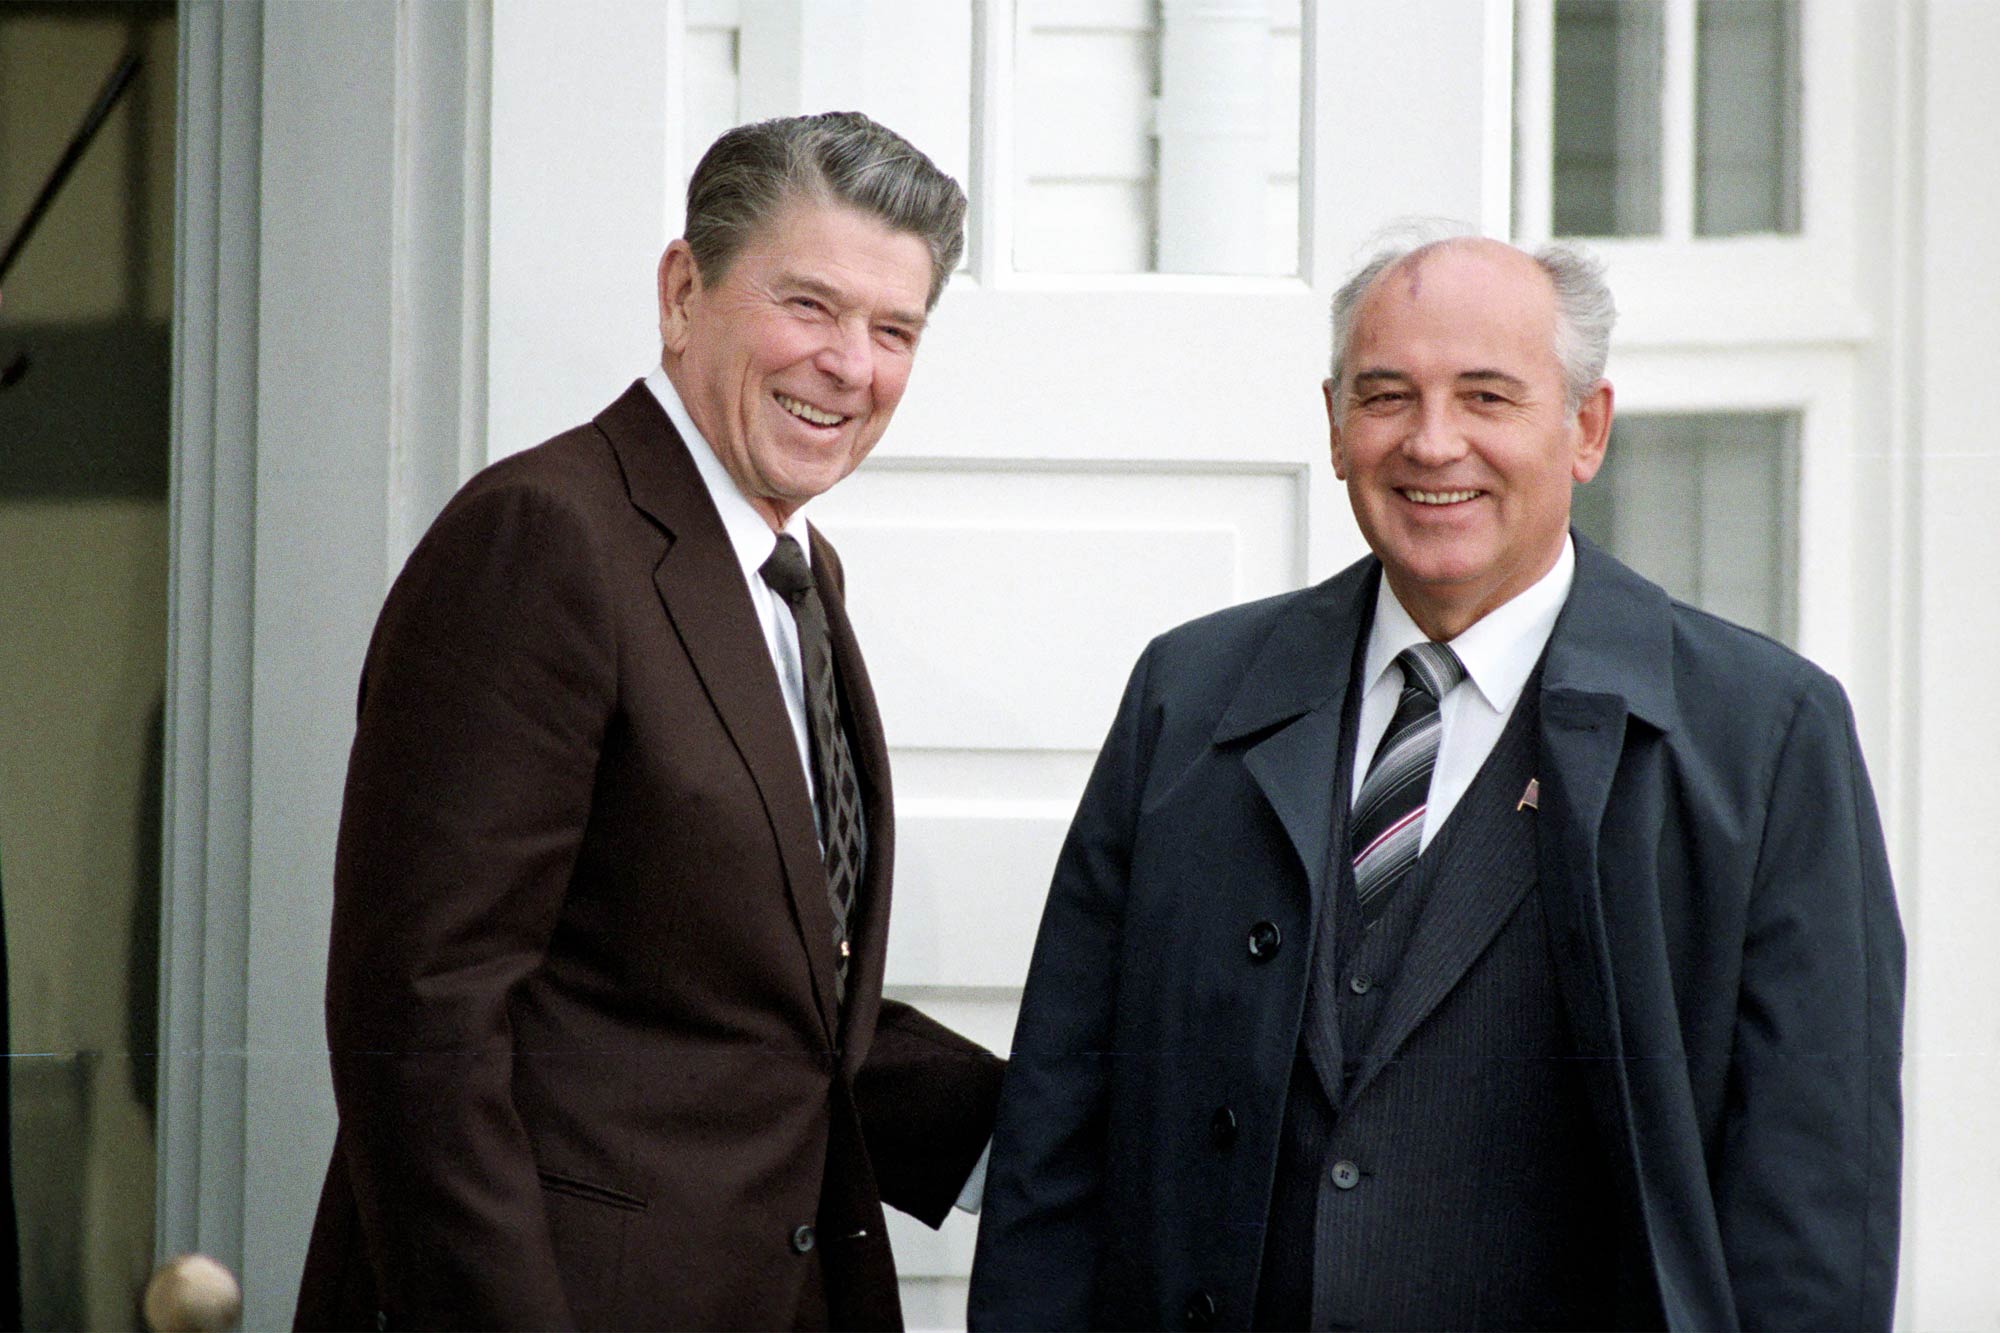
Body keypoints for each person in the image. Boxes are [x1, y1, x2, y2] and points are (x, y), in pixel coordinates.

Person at [967, 234, 1903, 1331]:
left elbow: (1813, 1202)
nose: (1430, 441)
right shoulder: (1189, 696)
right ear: (1331, 424)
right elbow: (1056, 1129)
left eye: (1486, 396)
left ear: (1584, 428)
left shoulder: (1762, 734)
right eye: (1385, 396)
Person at [294, 113, 1003, 1332]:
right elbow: (421, 1018)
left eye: (893, 330)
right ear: (684, 291)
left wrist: (1065, 1133)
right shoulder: (545, 536)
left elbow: (760, 1005)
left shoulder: (794, 575)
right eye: (809, 305)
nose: (849, 363)